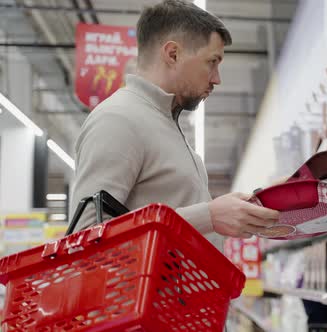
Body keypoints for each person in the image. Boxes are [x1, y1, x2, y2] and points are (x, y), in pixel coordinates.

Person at [70, 0, 279, 245]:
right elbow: (83, 239)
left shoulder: (164, 124)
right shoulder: (118, 120)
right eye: (212, 62)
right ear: (173, 54)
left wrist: (263, 202)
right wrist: (208, 216)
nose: (217, 79)